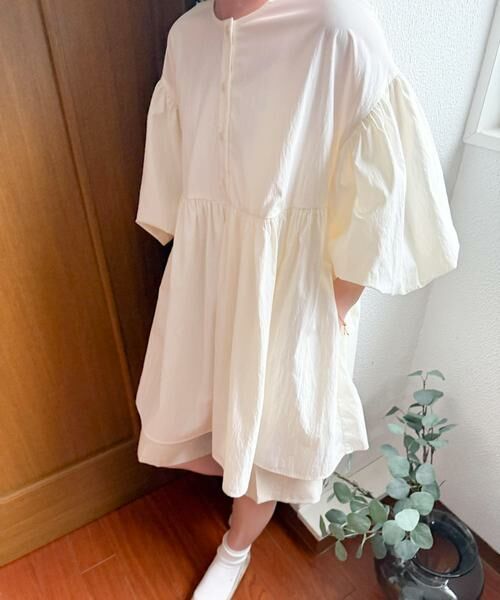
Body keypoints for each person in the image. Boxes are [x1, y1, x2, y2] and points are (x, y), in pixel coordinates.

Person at [134, 0, 460, 597]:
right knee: (183, 415)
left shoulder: (339, 27)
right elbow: (173, 163)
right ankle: (233, 515)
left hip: (292, 292)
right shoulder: (187, 36)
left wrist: (334, 307)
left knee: (269, 435)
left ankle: (235, 549)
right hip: (206, 277)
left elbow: (384, 195)